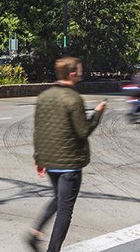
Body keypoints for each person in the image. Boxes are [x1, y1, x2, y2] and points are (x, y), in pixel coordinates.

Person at [27, 55, 107, 252]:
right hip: (70, 163)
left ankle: (35, 232)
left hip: (49, 160)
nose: (81, 73)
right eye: (79, 70)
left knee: (58, 198)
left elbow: (39, 130)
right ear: (72, 74)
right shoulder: (73, 98)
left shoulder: (44, 96)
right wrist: (97, 113)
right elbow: (83, 131)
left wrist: (39, 159)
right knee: (65, 209)